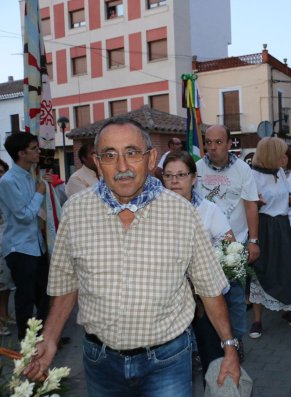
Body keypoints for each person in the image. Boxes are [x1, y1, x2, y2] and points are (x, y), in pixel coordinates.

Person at [23, 118, 241, 394]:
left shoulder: (181, 213)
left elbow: (209, 287)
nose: (122, 167)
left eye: (132, 153)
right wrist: (50, 339)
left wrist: (229, 347)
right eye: (110, 155)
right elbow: (67, 283)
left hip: (168, 361)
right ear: (97, 162)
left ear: (150, 159)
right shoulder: (76, 211)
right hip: (100, 362)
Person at [162, 150, 234, 380]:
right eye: (168, 175)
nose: (174, 181)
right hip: (167, 301)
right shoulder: (153, 211)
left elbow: (230, 248)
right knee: (171, 365)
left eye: (181, 175)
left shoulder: (208, 210)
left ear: (194, 178)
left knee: (212, 358)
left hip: (203, 298)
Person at [195, 124, 260, 360]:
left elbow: (251, 204)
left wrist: (253, 240)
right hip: (203, 248)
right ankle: (207, 347)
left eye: (218, 142)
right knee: (205, 298)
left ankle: (235, 342)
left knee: (234, 297)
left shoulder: (242, 169)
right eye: (208, 142)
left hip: (233, 246)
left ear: (229, 143)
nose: (212, 147)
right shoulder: (197, 168)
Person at [247, 137, 291, 339]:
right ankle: (257, 320)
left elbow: (284, 194)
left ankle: (286, 308)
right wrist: (257, 204)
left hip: (281, 226)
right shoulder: (252, 175)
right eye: (281, 154)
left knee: (285, 268)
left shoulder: (279, 172)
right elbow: (248, 205)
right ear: (271, 155)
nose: (285, 157)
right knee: (261, 271)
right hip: (264, 227)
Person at [0, 133, 49, 340]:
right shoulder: (8, 181)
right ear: (21, 153)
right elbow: (24, 215)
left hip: (36, 245)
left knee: (44, 294)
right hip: (19, 247)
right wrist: (39, 193)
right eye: (34, 148)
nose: (38, 152)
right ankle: (26, 341)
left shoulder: (30, 174)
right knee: (25, 297)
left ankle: (45, 336)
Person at [0, 159, 15, 336]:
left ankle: (5, 314)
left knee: (7, 283)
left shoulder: (7, 191)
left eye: (3, 171)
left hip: (8, 240)